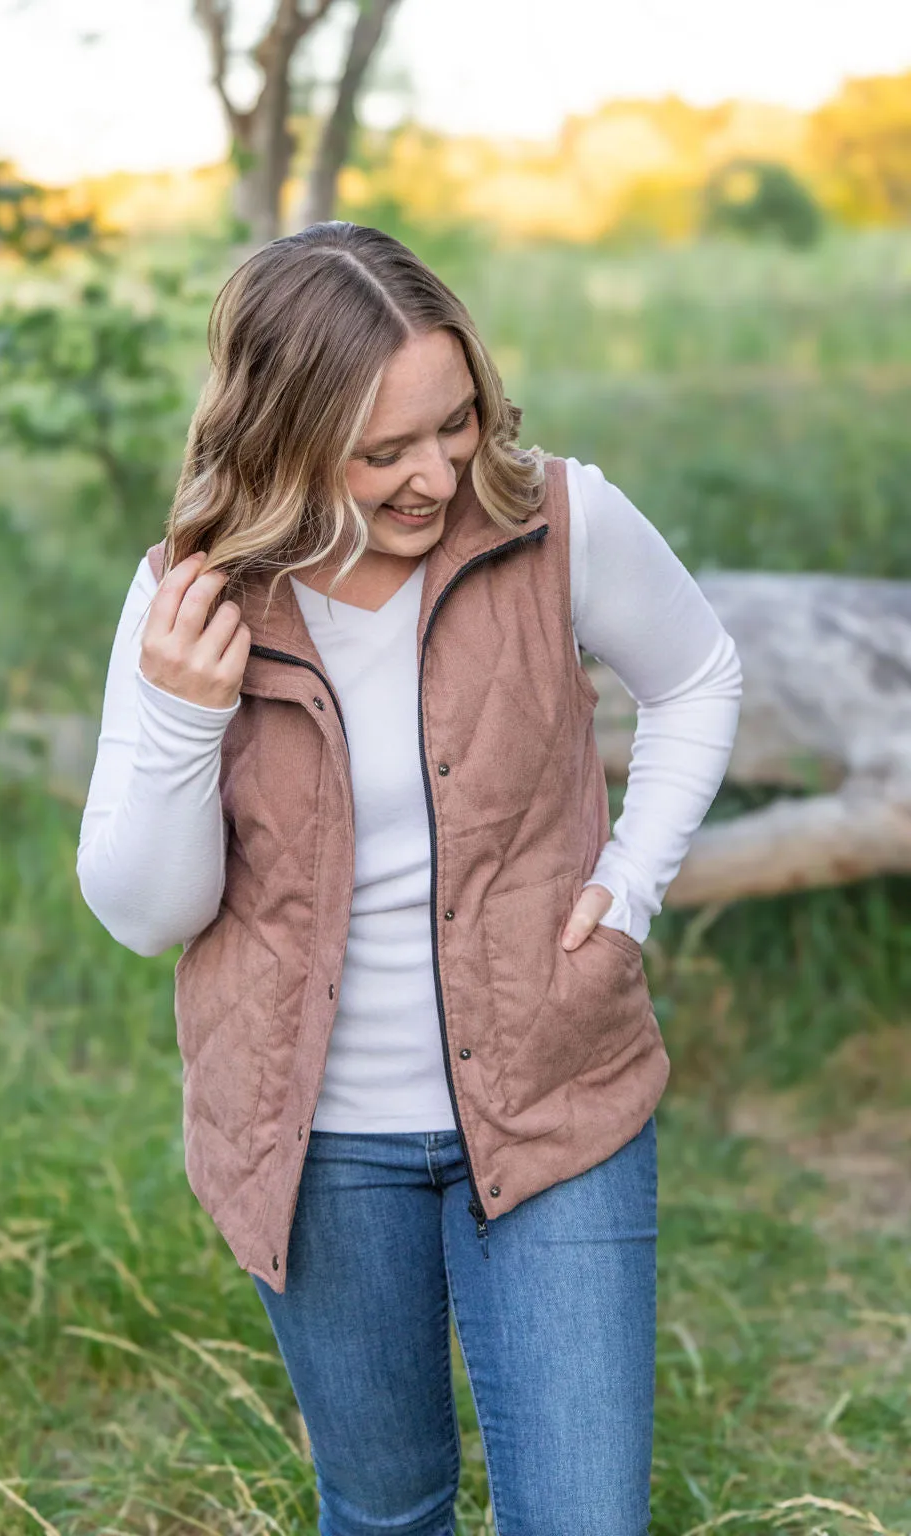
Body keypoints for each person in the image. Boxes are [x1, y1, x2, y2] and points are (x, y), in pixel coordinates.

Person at [77, 221, 742, 1535]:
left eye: (456, 421)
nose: (439, 471)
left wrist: (633, 883)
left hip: (559, 1100)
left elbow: (698, 677)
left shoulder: (558, 520)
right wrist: (179, 716)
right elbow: (149, 913)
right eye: (385, 450)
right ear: (282, 436)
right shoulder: (188, 603)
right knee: (384, 1511)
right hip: (315, 1145)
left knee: (584, 1520)